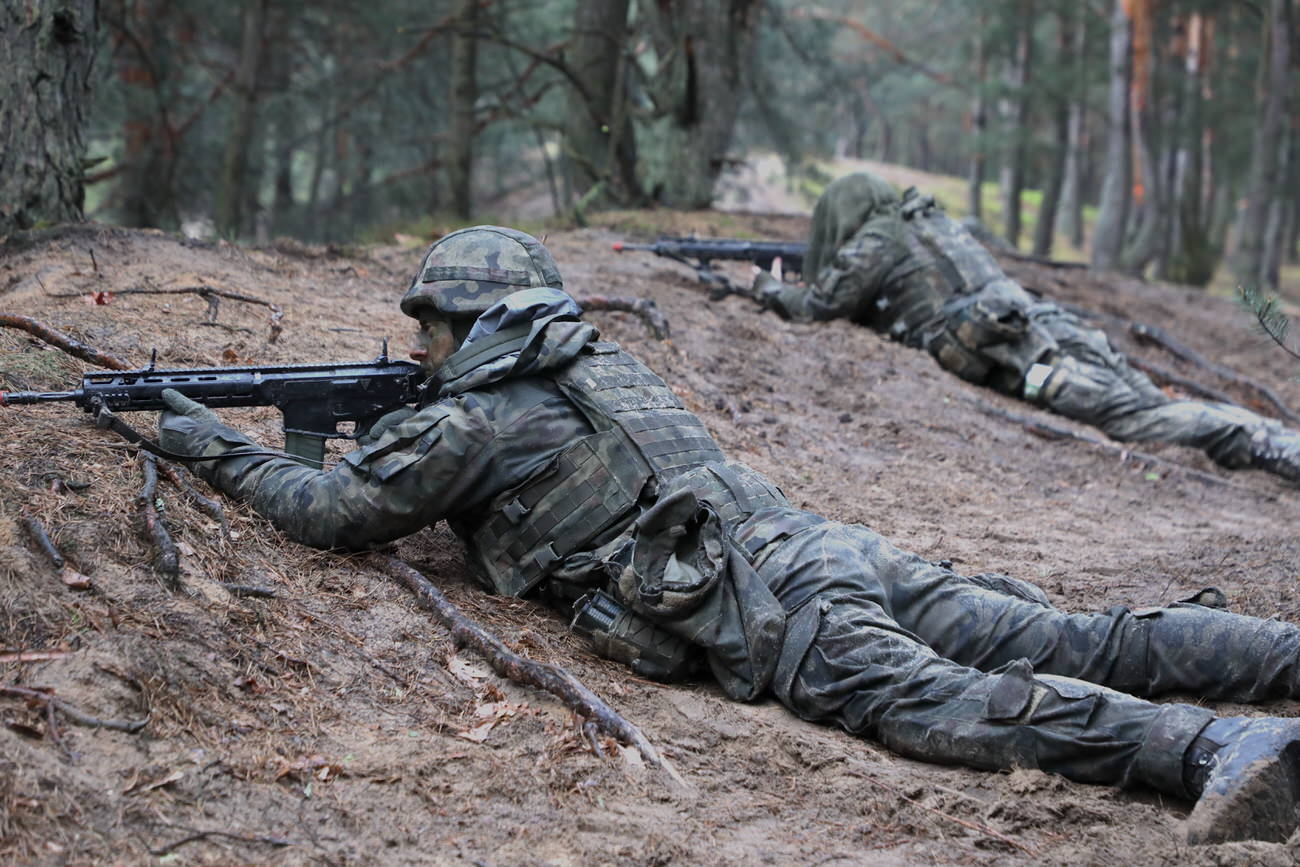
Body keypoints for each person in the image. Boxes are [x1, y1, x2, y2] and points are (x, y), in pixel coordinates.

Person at [158, 225, 1300, 845]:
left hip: (781, 603)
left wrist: (208, 440)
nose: (416, 348)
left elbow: (326, 513)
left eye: (431, 326)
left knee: (948, 704)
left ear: (472, 322)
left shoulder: (474, 420)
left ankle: (1212, 752)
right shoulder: (604, 365)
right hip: (828, 546)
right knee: (1070, 635)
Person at [751, 172, 1300, 484]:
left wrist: (767, 286)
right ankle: (1271, 434)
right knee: (1146, 398)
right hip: (1047, 324)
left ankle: (1271, 447)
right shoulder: (927, 219)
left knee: (1137, 417)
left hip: (1022, 355)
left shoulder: (879, 238)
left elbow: (819, 305)